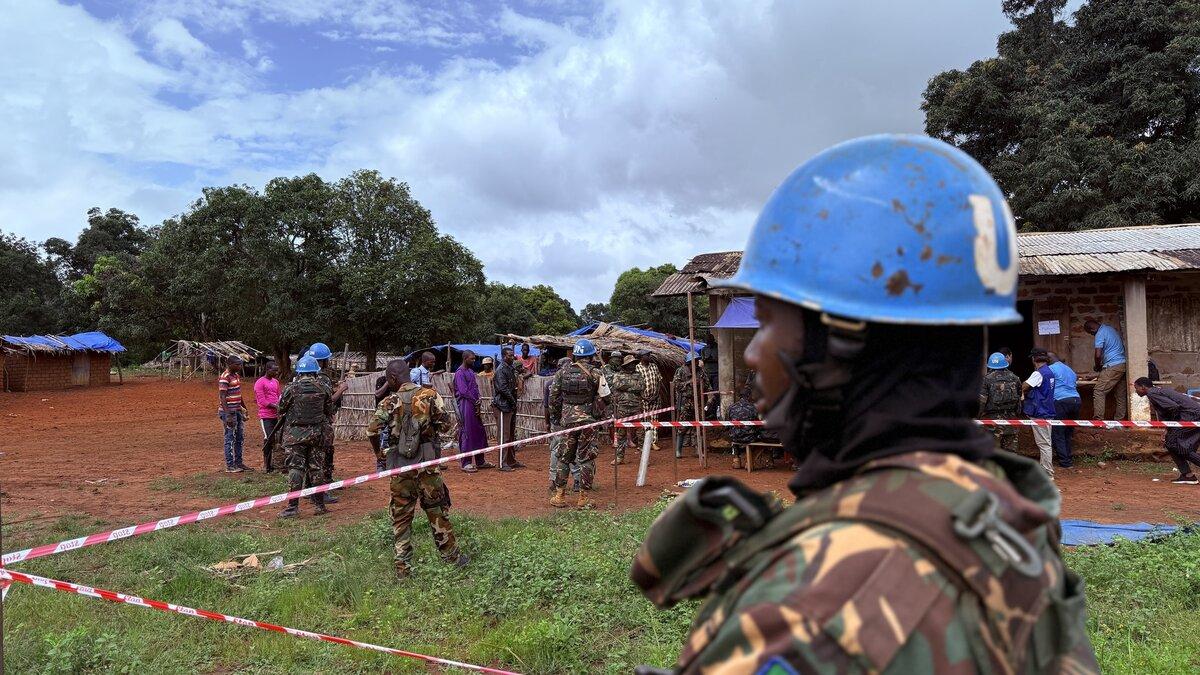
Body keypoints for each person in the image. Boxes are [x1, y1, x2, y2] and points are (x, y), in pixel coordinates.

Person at [630, 134, 1096, 673]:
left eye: (769, 322)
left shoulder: (809, 610)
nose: (754, 354)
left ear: (843, 338)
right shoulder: (999, 512)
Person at [368, 360, 469, 579]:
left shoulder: (389, 401)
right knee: (436, 510)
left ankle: (403, 567)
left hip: (400, 467)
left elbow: (372, 431)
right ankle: (451, 558)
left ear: (393, 379)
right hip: (427, 466)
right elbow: (446, 425)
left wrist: (379, 454)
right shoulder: (430, 396)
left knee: (401, 515)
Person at [548, 338, 611, 508]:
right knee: (586, 459)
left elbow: (553, 398)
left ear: (575, 355)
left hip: (567, 422)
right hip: (588, 423)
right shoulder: (596, 373)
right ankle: (583, 498)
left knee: (563, 457)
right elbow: (607, 398)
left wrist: (555, 418)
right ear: (591, 356)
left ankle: (559, 496)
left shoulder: (562, 372)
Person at [276, 356, 332, 518]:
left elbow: (281, 409)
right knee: (316, 468)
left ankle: (293, 507)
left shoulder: (291, 389)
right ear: (315, 372)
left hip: (295, 436)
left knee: (295, 468)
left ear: (299, 372)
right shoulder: (324, 387)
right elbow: (329, 411)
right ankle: (320, 505)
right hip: (318, 435)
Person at [1134, 377, 1200, 484]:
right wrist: (1168, 428)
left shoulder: (1152, 393)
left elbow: (1173, 407)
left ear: (1143, 387)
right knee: (1171, 443)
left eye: (1136, 388)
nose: (1135, 391)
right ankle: (1187, 475)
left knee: (1174, 444)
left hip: (1191, 417)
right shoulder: (1158, 390)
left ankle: (1187, 475)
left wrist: (1172, 426)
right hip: (1191, 416)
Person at [308, 342, 347, 503]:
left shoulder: (304, 376)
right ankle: (320, 491)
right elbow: (328, 401)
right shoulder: (321, 377)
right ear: (323, 361)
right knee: (320, 457)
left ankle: (312, 487)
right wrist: (341, 389)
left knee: (311, 458)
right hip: (321, 423)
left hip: (306, 422)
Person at [544, 357, 583, 493]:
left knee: (556, 451)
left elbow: (548, 406)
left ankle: (554, 481)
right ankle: (577, 480)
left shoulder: (549, 382)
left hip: (559, 422)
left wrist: (549, 422)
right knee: (574, 449)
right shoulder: (578, 380)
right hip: (572, 420)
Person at [454, 350, 493, 472]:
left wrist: (479, 398)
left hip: (475, 405)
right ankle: (466, 462)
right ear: (465, 359)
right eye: (472, 359)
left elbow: (475, 387)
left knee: (478, 432)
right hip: (466, 406)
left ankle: (480, 461)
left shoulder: (471, 372)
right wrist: (474, 400)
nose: (474, 361)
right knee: (467, 433)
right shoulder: (460, 373)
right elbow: (463, 391)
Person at [1022, 349, 1057, 477]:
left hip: (1040, 412)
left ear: (1034, 359)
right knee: (1045, 442)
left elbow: (1024, 386)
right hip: (1047, 410)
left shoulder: (1039, 373)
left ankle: (1047, 473)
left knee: (1044, 444)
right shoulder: (1050, 372)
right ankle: (1045, 471)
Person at [979, 351, 1021, 455]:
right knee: (1011, 454)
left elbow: (982, 401)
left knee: (993, 454)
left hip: (992, 422)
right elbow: (1019, 398)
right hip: (1011, 421)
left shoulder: (986, 379)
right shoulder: (1015, 378)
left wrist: (978, 417)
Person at [1085, 319, 1127, 420]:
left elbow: (1098, 355)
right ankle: (1118, 422)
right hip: (1122, 365)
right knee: (1120, 395)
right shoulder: (1110, 329)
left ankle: (1098, 420)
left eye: (1091, 333)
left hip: (1113, 365)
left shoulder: (1100, 333)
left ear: (1092, 329)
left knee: (1099, 391)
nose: (1092, 335)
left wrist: (1098, 366)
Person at [492, 346, 525, 470]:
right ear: (503, 356)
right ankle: (502, 463)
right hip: (502, 406)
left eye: (513, 355)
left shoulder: (510, 368)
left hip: (510, 405)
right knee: (504, 436)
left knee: (511, 435)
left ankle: (511, 460)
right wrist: (512, 401)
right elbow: (502, 389)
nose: (512, 357)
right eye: (509, 355)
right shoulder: (501, 370)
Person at [609, 355, 645, 465]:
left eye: (634, 363)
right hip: (622, 407)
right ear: (627, 365)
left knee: (640, 432)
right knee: (621, 433)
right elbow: (616, 385)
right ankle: (620, 457)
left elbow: (641, 386)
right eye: (631, 363)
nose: (633, 365)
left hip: (636, 406)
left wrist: (626, 386)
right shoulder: (618, 375)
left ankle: (643, 458)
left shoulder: (638, 374)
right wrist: (632, 386)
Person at [1048, 352, 1082, 468]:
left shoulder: (1050, 369)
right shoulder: (1069, 369)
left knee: (1058, 432)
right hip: (1076, 400)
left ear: (1048, 359)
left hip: (1060, 401)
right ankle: (1068, 458)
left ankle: (1065, 462)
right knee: (1068, 432)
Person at [218, 356, 248, 473]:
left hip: (237, 410)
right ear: (230, 364)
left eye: (240, 364)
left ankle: (239, 463)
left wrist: (244, 408)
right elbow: (222, 396)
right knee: (230, 438)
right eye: (237, 364)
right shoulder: (224, 377)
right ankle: (230, 465)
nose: (240, 367)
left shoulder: (236, 376)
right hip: (229, 412)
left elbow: (238, 393)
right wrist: (228, 415)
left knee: (239, 438)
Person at [671, 353, 705, 458]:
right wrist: (689, 382)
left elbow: (707, 385)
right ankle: (678, 451)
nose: (696, 362)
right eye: (694, 360)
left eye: (697, 360)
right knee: (682, 427)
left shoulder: (701, 371)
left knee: (698, 427)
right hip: (685, 402)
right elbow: (676, 385)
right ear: (690, 362)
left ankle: (698, 450)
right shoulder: (680, 371)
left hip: (698, 402)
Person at [253, 361, 282, 472]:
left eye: (277, 370)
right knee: (268, 438)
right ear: (267, 370)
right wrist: (275, 406)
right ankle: (266, 464)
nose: (276, 372)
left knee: (276, 439)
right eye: (274, 370)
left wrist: (279, 405)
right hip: (266, 415)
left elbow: (278, 396)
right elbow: (262, 401)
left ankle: (274, 463)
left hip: (276, 415)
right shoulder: (260, 383)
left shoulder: (276, 382)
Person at [725, 384, 761, 470]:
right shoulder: (753, 408)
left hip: (734, 437)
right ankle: (749, 461)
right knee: (760, 437)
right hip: (750, 437)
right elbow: (758, 424)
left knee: (734, 433)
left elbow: (726, 425)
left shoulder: (731, 407)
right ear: (749, 396)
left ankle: (736, 459)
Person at [636, 351, 663, 450]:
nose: (649, 356)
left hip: (655, 398)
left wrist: (656, 395)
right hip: (643, 399)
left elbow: (659, 381)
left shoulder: (654, 366)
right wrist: (643, 397)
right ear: (641, 357)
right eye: (647, 355)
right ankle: (645, 442)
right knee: (645, 421)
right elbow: (636, 384)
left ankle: (654, 442)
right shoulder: (637, 368)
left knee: (654, 420)